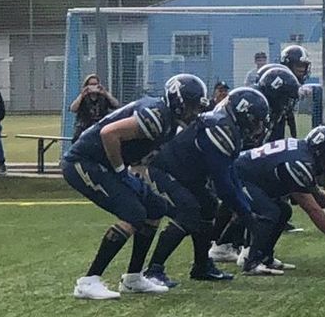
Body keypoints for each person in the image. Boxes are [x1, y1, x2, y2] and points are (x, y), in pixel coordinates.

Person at [61, 74, 216, 299]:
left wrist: (132, 172)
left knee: (155, 208)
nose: (194, 112)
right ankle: (89, 281)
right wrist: (120, 171)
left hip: (104, 164)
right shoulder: (157, 115)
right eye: (192, 106)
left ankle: (133, 277)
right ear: (179, 101)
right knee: (133, 213)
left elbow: (138, 151)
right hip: (83, 161)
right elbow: (109, 133)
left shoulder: (167, 121)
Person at [140, 77, 249, 286]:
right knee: (188, 211)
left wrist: (244, 207)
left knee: (208, 205)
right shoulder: (220, 129)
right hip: (164, 169)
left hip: (185, 174)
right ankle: (153, 269)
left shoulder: (224, 125)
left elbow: (230, 172)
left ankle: (202, 265)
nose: (259, 126)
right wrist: (245, 211)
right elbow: (223, 184)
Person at [230, 126, 325, 276]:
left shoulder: (302, 153)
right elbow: (312, 209)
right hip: (237, 176)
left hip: (247, 176)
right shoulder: (299, 163)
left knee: (284, 211)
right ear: (320, 152)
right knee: (269, 212)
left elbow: (314, 194)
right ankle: (251, 262)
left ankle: (264, 257)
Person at [69, 73, 114, 139]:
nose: (93, 87)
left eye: (95, 84)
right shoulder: (83, 98)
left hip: (100, 126)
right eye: (91, 84)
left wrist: (106, 93)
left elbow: (116, 104)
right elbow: (73, 109)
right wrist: (81, 95)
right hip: (84, 127)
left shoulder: (103, 97)